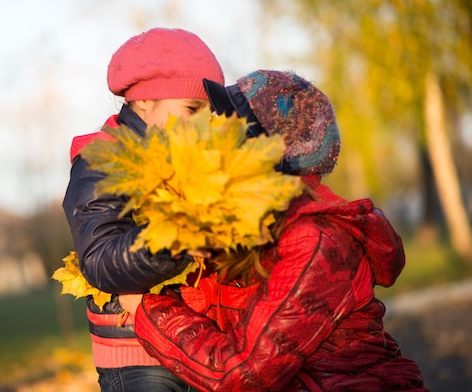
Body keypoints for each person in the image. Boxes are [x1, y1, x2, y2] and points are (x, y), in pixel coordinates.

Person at [119, 70, 428, 391]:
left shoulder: (315, 240)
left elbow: (245, 374)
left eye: (229, 126)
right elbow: (218, 309)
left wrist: (150, 310)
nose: (211, 133)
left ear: (270, 151)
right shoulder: (247, 223)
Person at [62, 27, 224, 392]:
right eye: (191, 108)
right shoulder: (103, 159)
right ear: (145, 101)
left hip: (200, 342)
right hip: (137, 352)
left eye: (208, 113)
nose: (201, 124)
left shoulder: (198, 161)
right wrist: (174, 238)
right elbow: (101, 258)